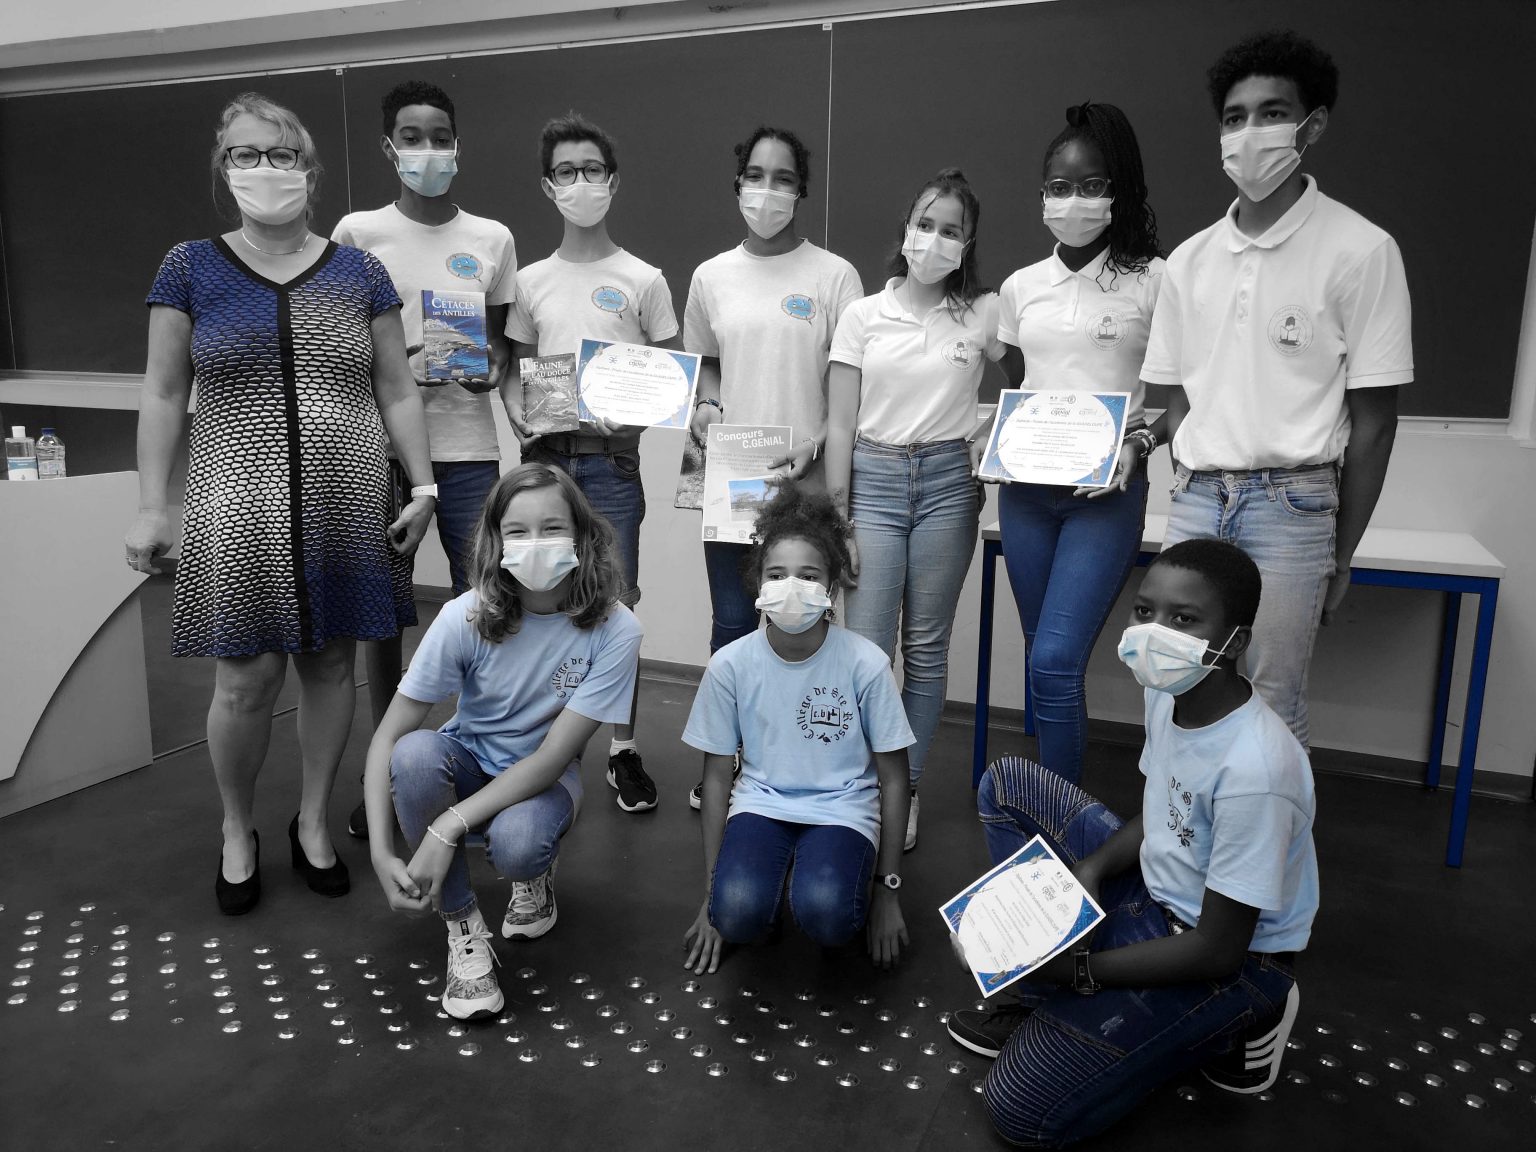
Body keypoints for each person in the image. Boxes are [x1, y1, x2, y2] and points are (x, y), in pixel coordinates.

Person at [125, 92, 435, 916]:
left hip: (348, 498)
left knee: (332, 663)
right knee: (246, 677)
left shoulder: (359, 272)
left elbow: (397, 389)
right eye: (246, 154)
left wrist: (425, 485)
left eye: (282, 154)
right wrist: (152, 505)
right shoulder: (189, 267)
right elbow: (162, 393)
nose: (266, 168)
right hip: (238, 501)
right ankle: (237, 828)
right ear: (224, 168)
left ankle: (312, 819)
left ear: (309, 168)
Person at [946, 539, 1317, 1147]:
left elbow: (1219, 949)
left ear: (1235, 643)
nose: (1154, 632)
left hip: (1229, 957)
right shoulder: (1170, 693)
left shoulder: (1259, 771)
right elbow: (1161, 809)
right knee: (1008, 782)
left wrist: (1077, 971)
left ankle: (1240, 1020)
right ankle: (1047, 998)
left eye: (1184, 619)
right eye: (1145, 611)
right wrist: (1091, 870)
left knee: (1020, 1110)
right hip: (1156, 887)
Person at [1140, 31, 1412, 748]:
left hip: (1293, 506)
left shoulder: (1362, 250)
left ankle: (1265, 828)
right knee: (1170, 681)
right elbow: (1177, 401)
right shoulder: (1189, 261)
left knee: (1269, 697)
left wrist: (1340, 552)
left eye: (1272, 113)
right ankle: (1169, 823)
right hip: (1198, 497)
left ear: (1311, 126)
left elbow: (1375, 423)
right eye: (1235, 117)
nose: (1249, 132)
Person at [362, 463, 642, 1020]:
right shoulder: (463, 616)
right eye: (518, 531)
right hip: (469, 760)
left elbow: (552, 758)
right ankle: (463, 926)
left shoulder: (617, 629)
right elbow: (387, 737)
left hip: (544, 779)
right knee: (414, 755)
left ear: (583, 536)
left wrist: (446, 826)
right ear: (496, 540)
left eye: (552, 528)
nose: (535, 543)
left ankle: (534, 879)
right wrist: (379, 851)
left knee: (519, 848)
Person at [331, 79, 518, 839]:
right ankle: (388, 772)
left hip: (470, 448)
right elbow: (339, 340)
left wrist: (489, 367)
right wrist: (395, 364)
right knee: (384, 618)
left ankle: (482, 764)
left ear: (457, 143)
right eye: (412, 137)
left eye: (440, 135)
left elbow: (501, 347)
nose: (428, 150)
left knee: (490, 607)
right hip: (379, 450)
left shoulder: (493, 239)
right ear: (389, 146)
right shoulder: (358, 233)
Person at [505, 112, 680, 815]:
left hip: (612, 467)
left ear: (613, 181)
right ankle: (540, 740)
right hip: (545, 463)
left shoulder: (644, 279)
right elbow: (515, 372)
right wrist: (517, 410)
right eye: (566, 172)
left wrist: (634, 412)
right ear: (549, 186)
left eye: (592, 170)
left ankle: (622, 750)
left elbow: (671, 382)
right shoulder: (530, 280)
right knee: (538, 597)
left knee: (617, 609)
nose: (581, 182)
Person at [684, 125, 863, 806]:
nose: (768, 190)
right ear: (738, 185)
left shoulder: (834, 276)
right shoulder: (711, 276)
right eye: (755, 176)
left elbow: (850, 389)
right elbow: (706, 363)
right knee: (733, 626)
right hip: (733, 485)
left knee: (807, 625)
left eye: (783, 178)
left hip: (808, 490)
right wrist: (705, 404)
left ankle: (807, 758)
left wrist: (817, 445)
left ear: (801, 189)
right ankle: (728, 763)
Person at [823, 168, 1001, 851]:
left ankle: (907, 787)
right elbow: (840, 422)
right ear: (906, 229)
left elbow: (1035, 382)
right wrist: (839, 518)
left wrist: (998, 437)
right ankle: (860, 787)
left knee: (926, 650)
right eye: (926, 224)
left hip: (949, 485)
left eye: (952, 230)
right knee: (868, 651)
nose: (935, 239)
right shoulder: (863, 315)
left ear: (968, 243)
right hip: (871, 480)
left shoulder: (984, 313)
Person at [993, 102, 1165, 785]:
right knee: (1042, 659)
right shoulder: (1020, 287)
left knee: (1056, 660)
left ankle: (1061, 823)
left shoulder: (1154, 279)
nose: (1073, 200)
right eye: (1059, 187)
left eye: (1091, 185)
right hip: (1027, 497)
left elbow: (1186, 396)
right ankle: (1051, 810)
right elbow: (1021, 380)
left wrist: (1140, 442)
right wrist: (1003, 438)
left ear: (1118, 190)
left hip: (1105, 497)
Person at [681, 484, 912, 974]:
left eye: (808, 576)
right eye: (776, 574)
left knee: (828, 913)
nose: (791, 586)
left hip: (842, 808)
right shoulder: (730, 665)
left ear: (831, 588)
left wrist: (887, 891)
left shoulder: (866, 664)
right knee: (736, 911)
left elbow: (894, 779)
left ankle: (816, 873)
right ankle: (765, 880)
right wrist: (712, 896)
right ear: (758, 584)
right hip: (762, 802)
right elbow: (717, 778)